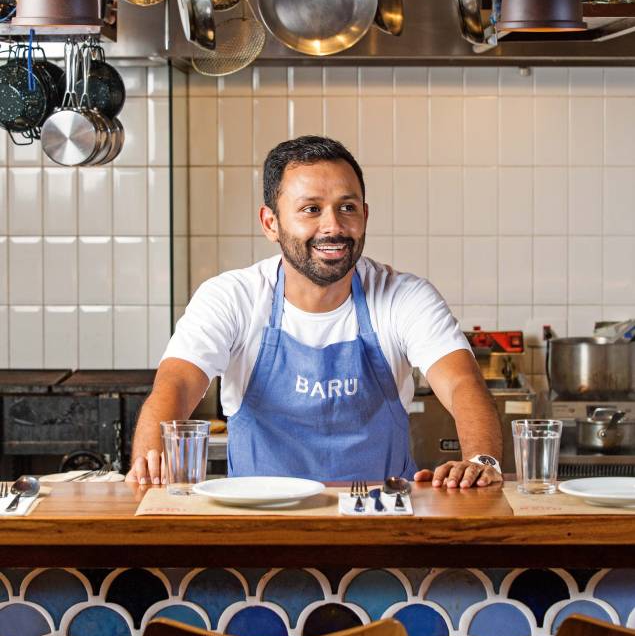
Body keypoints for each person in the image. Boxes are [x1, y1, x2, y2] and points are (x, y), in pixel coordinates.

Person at [127, 135, 502, 488]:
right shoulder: (231, 297)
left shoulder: (405, 296)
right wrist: (150, 461)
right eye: (311, 209)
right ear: (270, 223)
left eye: (347, 208)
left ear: (365, 216)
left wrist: (483, 461)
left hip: (383, 526)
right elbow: (176, 382)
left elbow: (461, 382)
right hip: (260, 530)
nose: (333, 226)